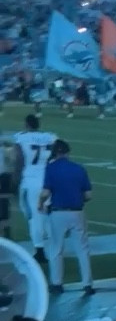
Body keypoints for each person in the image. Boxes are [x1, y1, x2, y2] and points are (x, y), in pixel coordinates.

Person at [41, 140, 94, 297]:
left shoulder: (51, 168)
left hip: (58, 212)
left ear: (54, 153)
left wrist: (39, 203)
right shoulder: (79, 168)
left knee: (56, 249)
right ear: (68, 152)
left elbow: (45, 192)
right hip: (77, 212)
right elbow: (88, 195)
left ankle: (57, 283)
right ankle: (87, 284)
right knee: (82, 249)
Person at [12, 113, 57, 265]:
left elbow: (19, 160)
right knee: (47, 214)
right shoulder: (50, 137)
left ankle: (39, 250)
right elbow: (56, 156)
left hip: (30, 181)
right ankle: (54, 246)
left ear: (26, 124)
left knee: (33, 217)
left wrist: (14, 181)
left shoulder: (21, 137)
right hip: (48, 180)